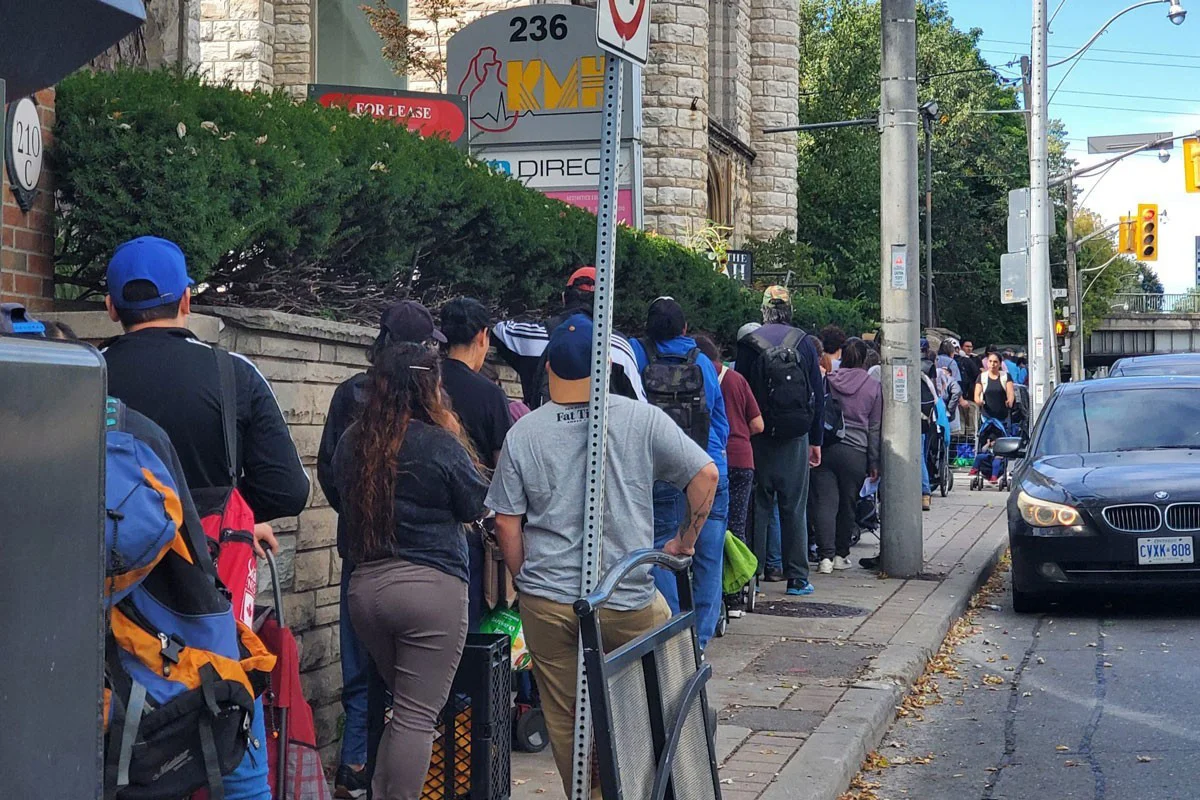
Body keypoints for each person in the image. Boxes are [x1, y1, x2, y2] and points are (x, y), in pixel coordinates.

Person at [101, 235, 309, 800]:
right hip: (202, 597)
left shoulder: (84, 377)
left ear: (111, 308)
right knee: (234, 747)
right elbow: (289, 489)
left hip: (111, 612)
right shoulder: (232, 374)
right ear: (187, 300)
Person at [487, 314, 718, 797]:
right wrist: (685, 542)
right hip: (627, 593)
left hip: (549, 599)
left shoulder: (525, 432)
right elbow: (706, 477)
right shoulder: (639, 417)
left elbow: (506, 522)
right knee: (665, 695)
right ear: (605, 364)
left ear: (548, 367)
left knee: (569, 719)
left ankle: (589, 792)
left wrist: (524, 577)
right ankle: (657, 780)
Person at [330, 343, 488, 800]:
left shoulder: (352, 442)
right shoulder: (439, 443)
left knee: (402, 709)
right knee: (417, 715)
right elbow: (478, 504)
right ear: (429, 385)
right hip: (430, 592)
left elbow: (343, 500)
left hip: (365, 590)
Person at [317, 299, 447, 798]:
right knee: (414, 689)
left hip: (362, 554)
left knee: (358, 670)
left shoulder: (349, 395)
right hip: (423, 562)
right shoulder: (431, 398)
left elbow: (331, 470)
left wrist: (357, 513)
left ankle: (354, 765)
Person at [629, 298, 728, 647]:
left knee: (662, 550)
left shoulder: (637, 356)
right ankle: (700, 641)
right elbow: (719, 421)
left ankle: (671, 639)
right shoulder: (702, 363)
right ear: (685, 329)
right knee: (708, 556)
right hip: (710, 465)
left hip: (660, 470)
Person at [735, 286, 824, 597]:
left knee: (757, 507)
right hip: (796, 438)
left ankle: (752, 578)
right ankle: (798, 577)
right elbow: (817, 394)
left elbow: (740, 393)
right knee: (794, 508)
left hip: (757, 437)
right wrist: (816, 440)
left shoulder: (748, 344)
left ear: (764, 310)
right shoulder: (803, 341)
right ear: (790, 309)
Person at [439, 297, 513, 627]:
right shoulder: (489, 394)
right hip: (471, 527)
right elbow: (505, 468)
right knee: (468, 628)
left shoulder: (425, 382)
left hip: (419, 522)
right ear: (483, 336)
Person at [491, 266, 645, 407]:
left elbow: (498, 330)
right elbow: (640, 404)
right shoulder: (619, 347)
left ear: (564, 298)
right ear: (607, 304)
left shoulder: (536, 335)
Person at [695, 333, 761, 617]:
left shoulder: (693, 377)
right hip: (740, 459)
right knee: (735, 526)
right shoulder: (736, 380)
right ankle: (734, 594)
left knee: (703, 530)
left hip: (703, 463)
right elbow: (757, 423)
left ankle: (706, 594)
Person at [810, 339, 882, 573]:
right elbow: (874, 427)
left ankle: (825, 558)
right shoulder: (873, 386)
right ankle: (841, 554)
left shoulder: (829, 380)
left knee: (825, 503)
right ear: (864, 359)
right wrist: (874, 461)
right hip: (856, 452)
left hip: (827, 446)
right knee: (847, 504)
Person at [976, 351, 1015, 423]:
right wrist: (979, 401)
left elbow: (1010, 392)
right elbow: (977, 394)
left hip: (1003, 416)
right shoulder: (982, 376)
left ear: (1000, 364)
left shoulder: (1006, 376)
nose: (992, 364)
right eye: (990, 361)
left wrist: (1010, 401)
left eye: (995, 362)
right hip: (986, 416)